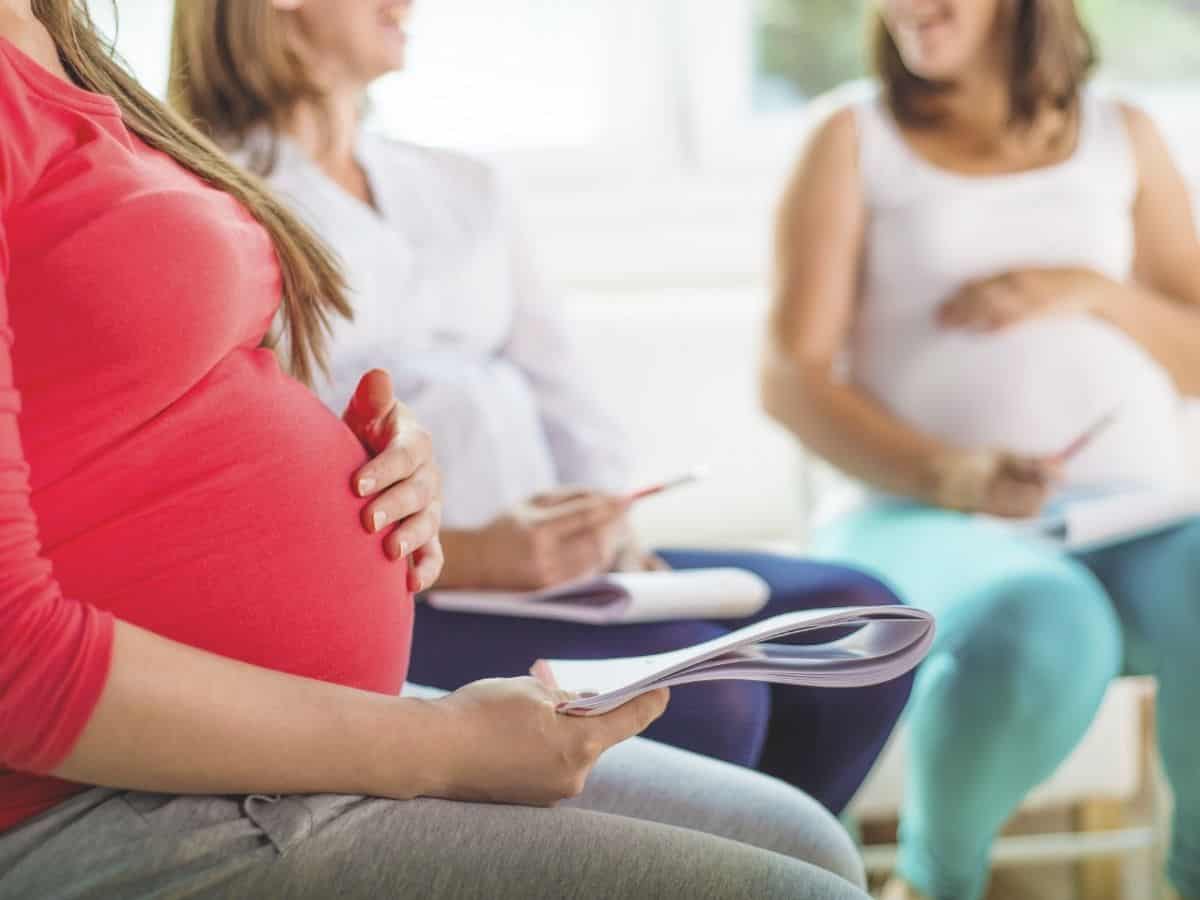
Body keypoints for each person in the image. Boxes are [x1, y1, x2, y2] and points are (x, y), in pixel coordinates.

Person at [0, 2, 876, 897]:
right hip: (88, 791)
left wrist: (374, 468)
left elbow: (124, 400)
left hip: (302, 707)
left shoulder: (69, 59)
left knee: (810, 841)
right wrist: (443, 749)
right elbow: (10, 663)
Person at [761, 0, 1200, 898]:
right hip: (911, 514)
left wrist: (1083, 288)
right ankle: (932, 885)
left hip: (1135, 515)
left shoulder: (1126, 133)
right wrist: (949, 473)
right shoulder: (851, 136)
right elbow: (790, 379)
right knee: (1041, 619)